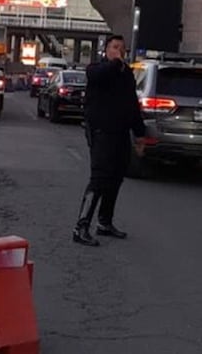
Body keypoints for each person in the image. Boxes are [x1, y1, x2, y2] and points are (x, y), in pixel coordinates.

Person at [73, 34, 146, 246]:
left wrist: (140, 134)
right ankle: (81, 226)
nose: (119, 51)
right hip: (101, 132)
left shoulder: (127, 74)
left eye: (122, 48)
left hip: (121, 132)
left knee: (116, 177)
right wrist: (114, 63)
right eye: (115, 47)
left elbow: (132, 105)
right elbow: (99, 76)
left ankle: (104, 222)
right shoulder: (97, 69)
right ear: (106, 50)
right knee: (100, 177)